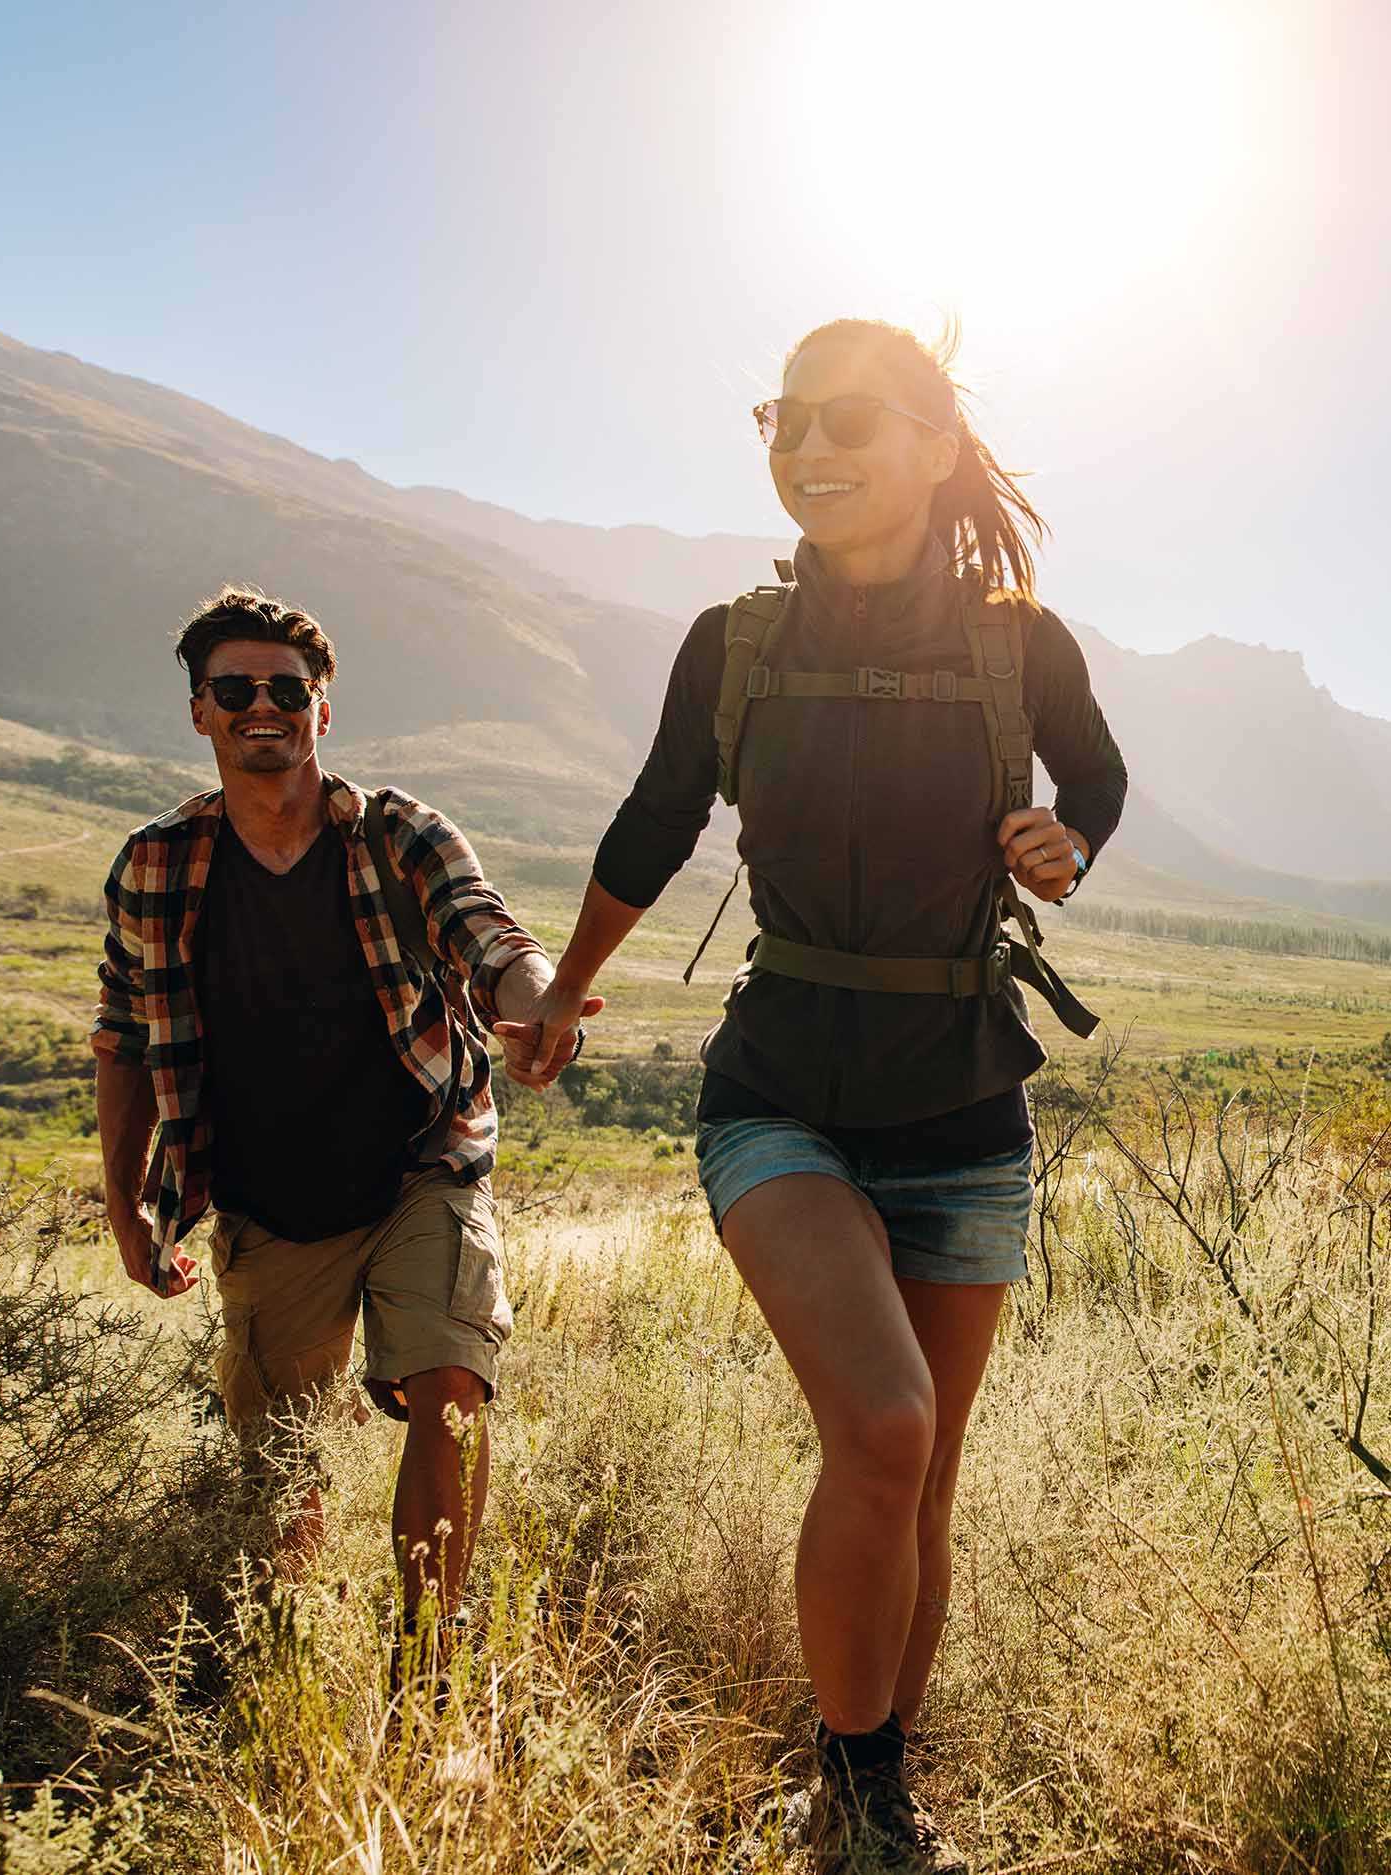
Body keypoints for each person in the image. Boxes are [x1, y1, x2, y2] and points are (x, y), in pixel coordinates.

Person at [497, 322, 1127, 1873]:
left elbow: (1096, 777)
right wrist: (569, 987)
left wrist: (1066, 839)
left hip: (967, 1108)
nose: (809, 443)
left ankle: (872, 1788)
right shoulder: (735, 643)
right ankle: (852, 1794)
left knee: (919, 1471)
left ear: (930, 442)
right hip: (779, 1088)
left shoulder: (1020, 643)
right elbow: (654, 817)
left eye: (852, 416)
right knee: (890, 1417)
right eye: (787, 416)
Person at [91, 587, 598, 1615]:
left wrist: (536, 1002)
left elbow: (486, 931)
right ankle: (288, 1647)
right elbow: (126, 1039)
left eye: (288, 688)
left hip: (423, 1161)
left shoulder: (397, 835)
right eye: (234, 688)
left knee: (449, 1385)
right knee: (282, 1461)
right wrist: (126, 1208)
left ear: (324, 709)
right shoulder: (159, 863)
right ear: (200, 711)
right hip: (267, 1199)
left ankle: (429, 1667)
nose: (261, 706)